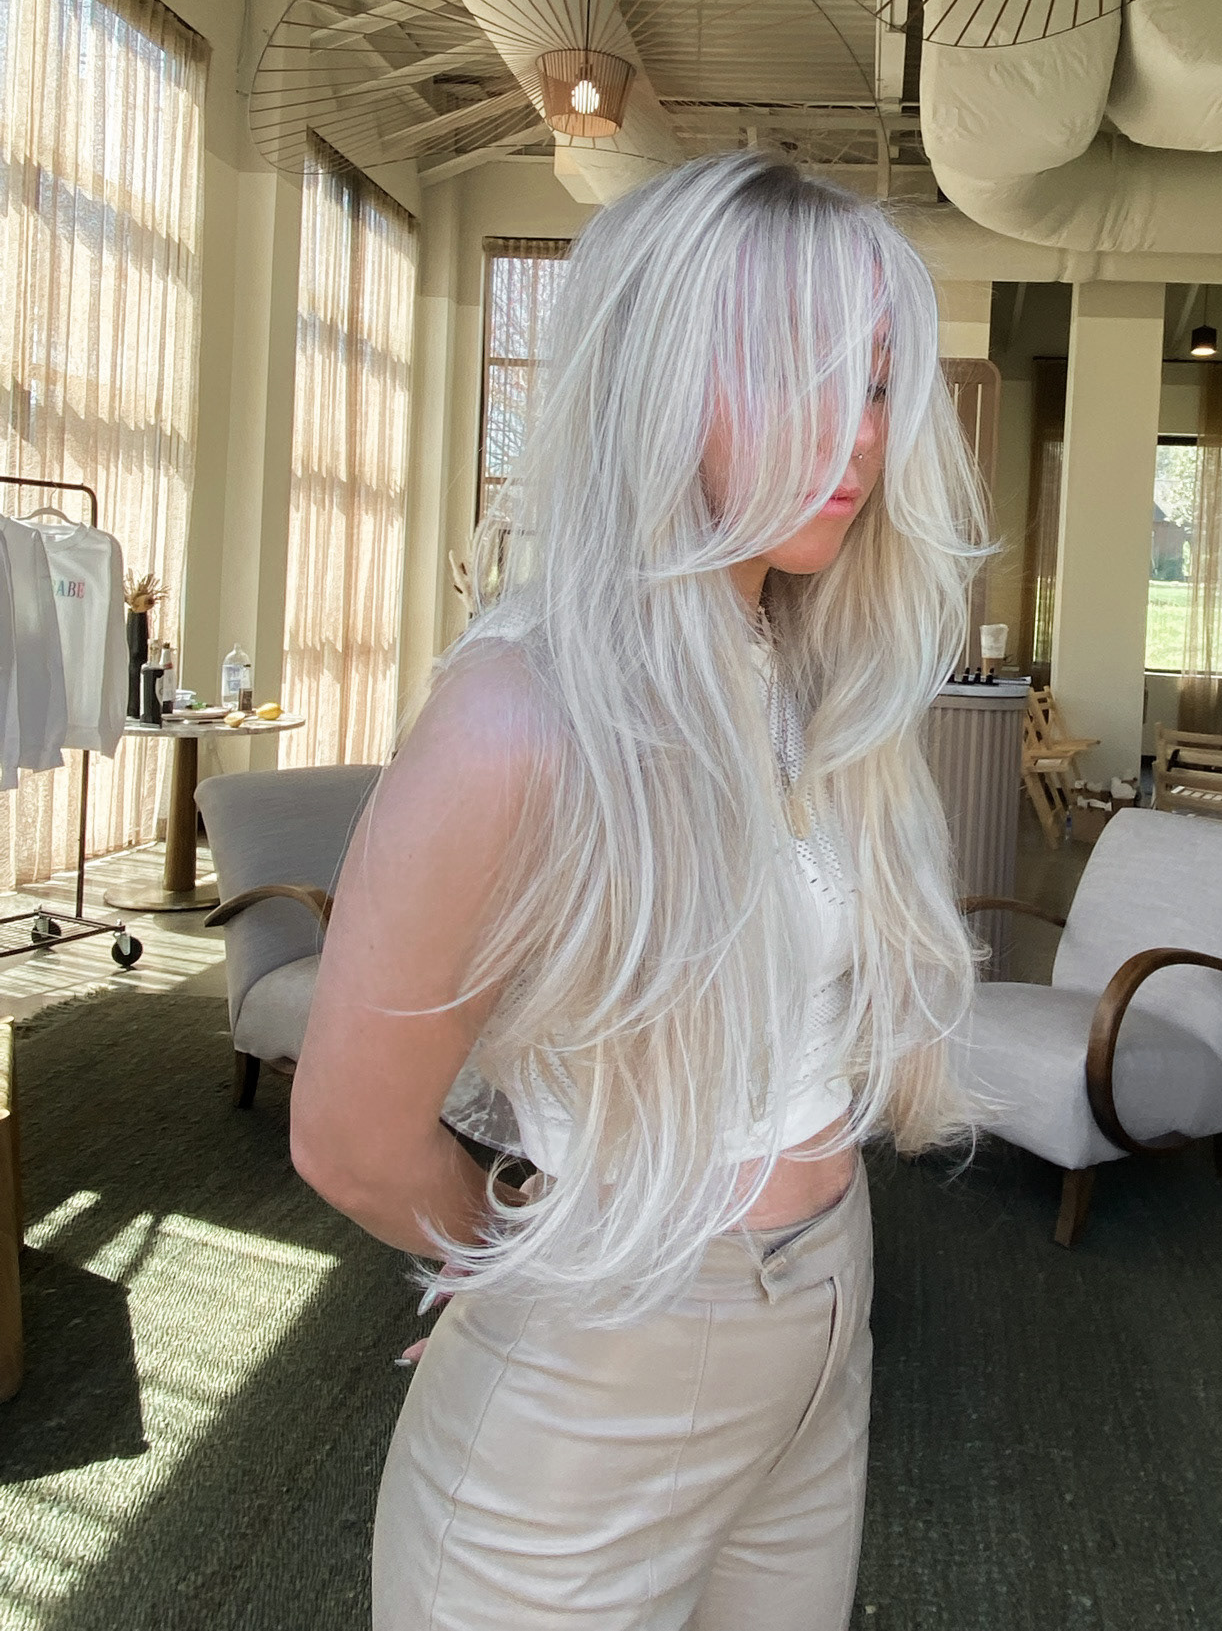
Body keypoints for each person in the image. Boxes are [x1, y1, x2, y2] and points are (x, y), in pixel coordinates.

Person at [290, 151, 989, 1630]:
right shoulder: (520, 713)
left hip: (826, 1317)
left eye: (875, 382)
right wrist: (527, 1260)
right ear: (658, 376)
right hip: (603, 1370)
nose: (860, 433)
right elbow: (349, 1136)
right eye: (801, 371)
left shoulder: (806, 672)